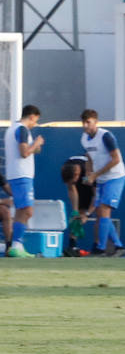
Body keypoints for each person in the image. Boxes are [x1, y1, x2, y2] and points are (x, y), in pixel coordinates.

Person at [79, 109, 125, 257]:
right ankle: (119, 247)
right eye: (84, 122)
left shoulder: (106, 136)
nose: (86, 125)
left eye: (89, 122)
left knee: (105, 210)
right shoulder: (84, 138)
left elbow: (116, 159)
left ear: (96, 122)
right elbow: (89, 157)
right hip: (101, 179)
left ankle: (100, 249)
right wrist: (89, 174)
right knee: (101, 212)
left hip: (115, 177)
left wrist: (96, 174)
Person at [3, 104, 44, 258]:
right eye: (35, 121)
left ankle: (16, 246)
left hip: (16, 174)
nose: (35, 124)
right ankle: (16, 244)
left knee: (22, 210)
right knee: (27, 210)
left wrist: (36, 147)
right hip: (21, 175)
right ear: (32, 116)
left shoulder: (12, 129)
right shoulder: (22, 129)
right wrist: (37, 144)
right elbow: (25, 152)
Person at [60, 156, 95, 256]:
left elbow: (96, 196)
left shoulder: (89, 170)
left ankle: (101, 248)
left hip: (95, 182)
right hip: (82, 181)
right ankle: (72, 246)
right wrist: (75, 211)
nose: (73, 183)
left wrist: (87, 214)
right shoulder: (67, 168)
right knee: (77, 216)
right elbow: (71, 189)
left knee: (101, 211)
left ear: (77, 174)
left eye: (74, 181)